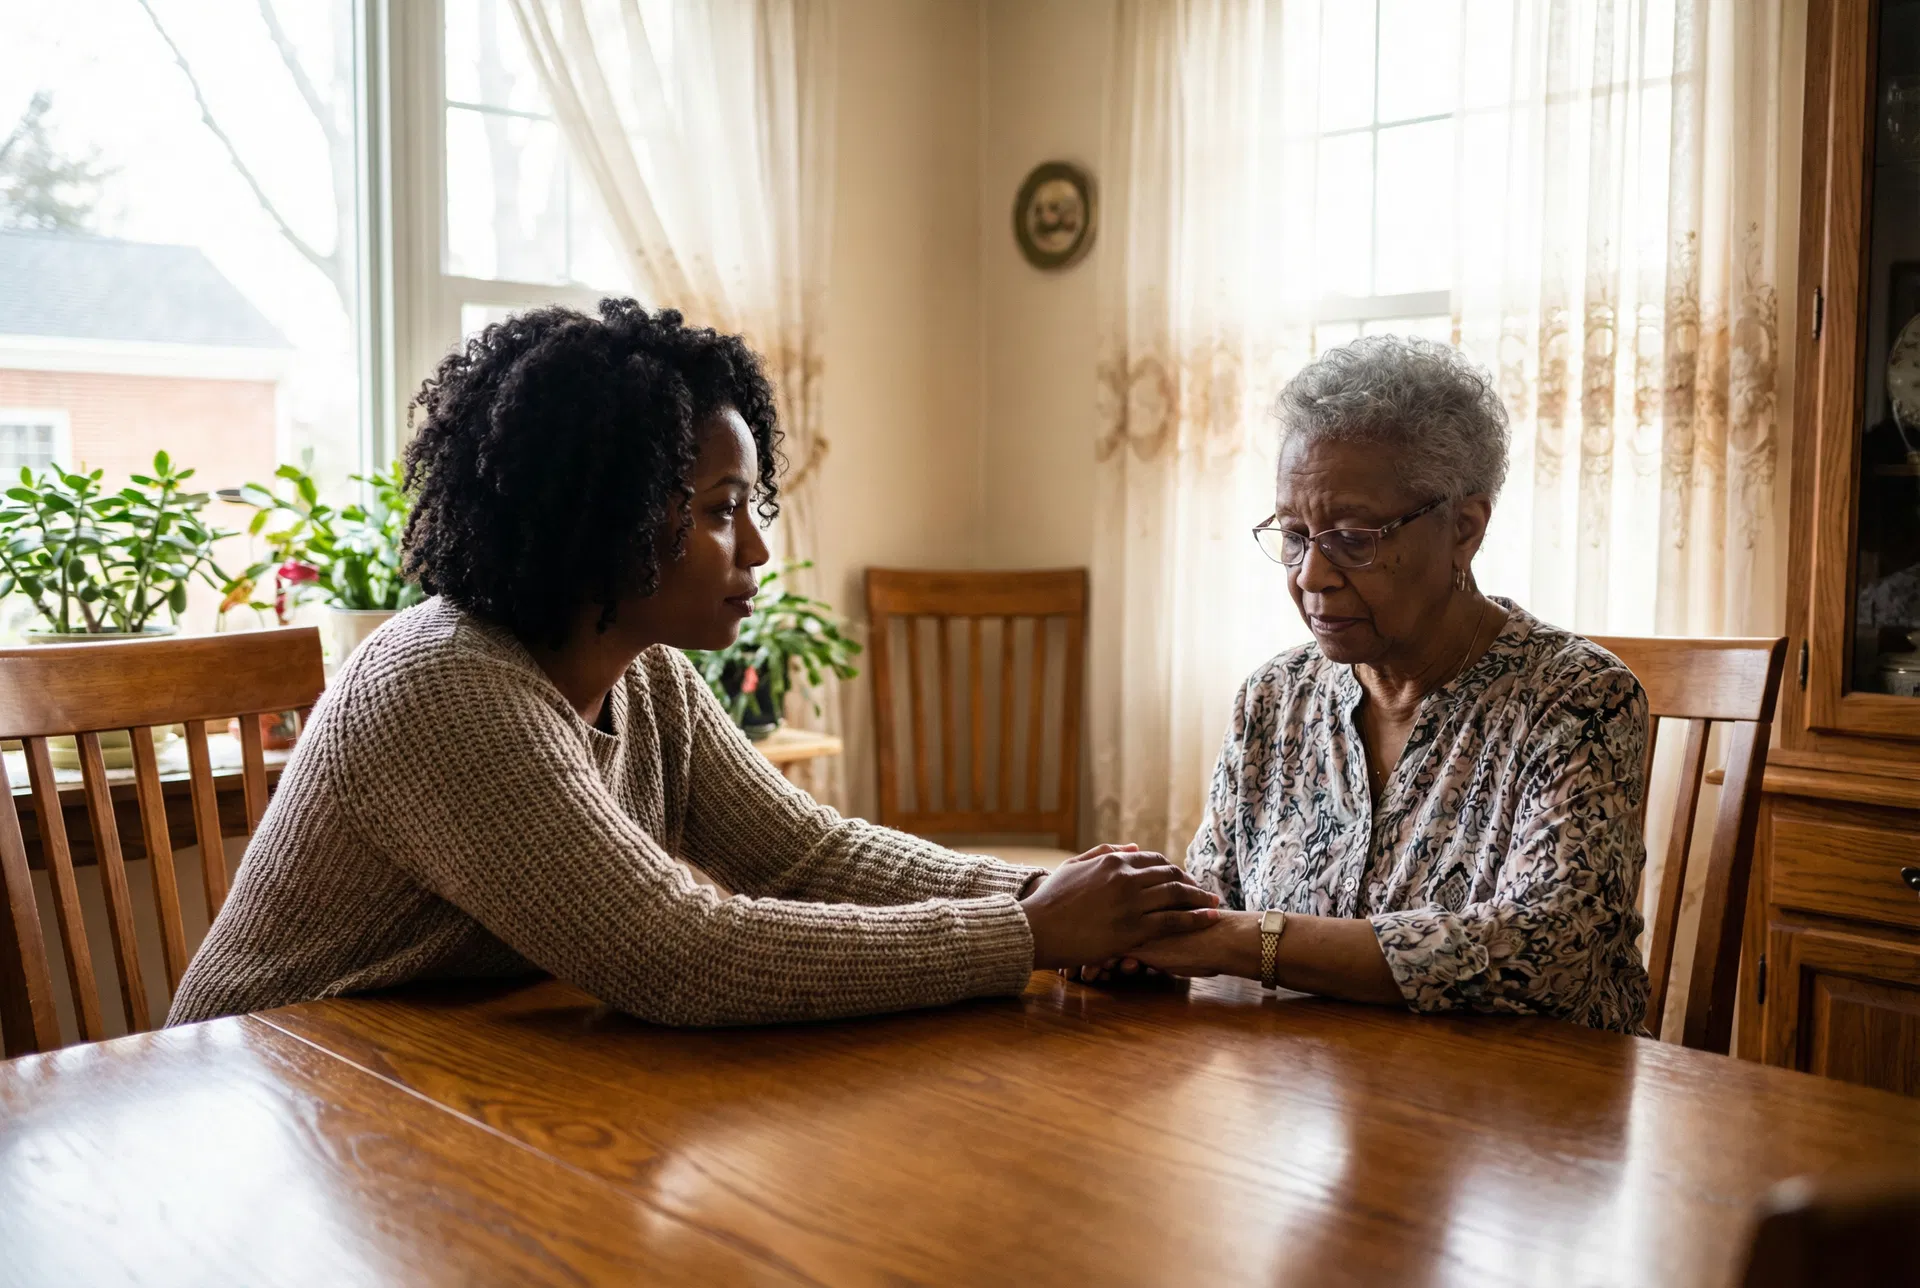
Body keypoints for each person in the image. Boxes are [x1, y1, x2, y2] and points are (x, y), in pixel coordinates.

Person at [168, 301, 1218, 1028]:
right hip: (256, 1102)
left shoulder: (643, 671)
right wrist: (1026, 930)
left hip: (422, 1083)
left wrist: (1064, 905)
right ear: (605, 520)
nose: (757, 548)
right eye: (722, 512)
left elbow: (807, 857)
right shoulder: (442, 683)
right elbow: (678, 953)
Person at [1081, 335, 1650, 1033]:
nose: (1311, 576)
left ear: (1464, 530)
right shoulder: (1274, 699)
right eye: (1294, 535)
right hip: (1309, 1104)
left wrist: (1238, 942)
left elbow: (1546, 952)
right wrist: (1139, 935)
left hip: (1523, 1112)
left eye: (1353, 538)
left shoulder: (1577, 700)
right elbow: (1211, 904)